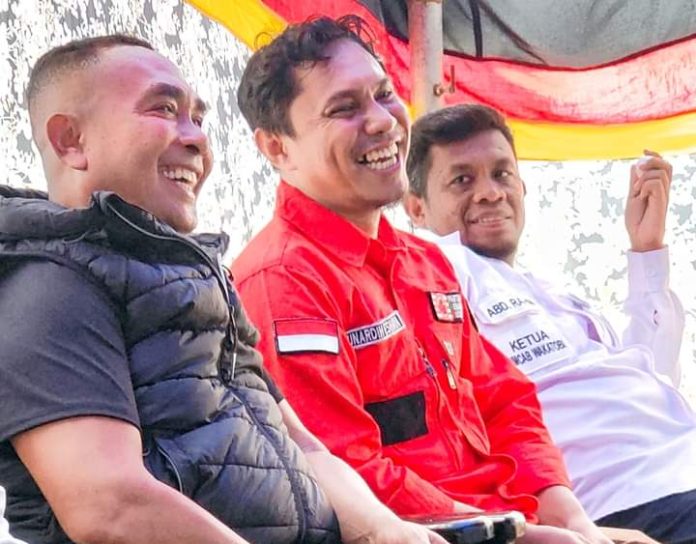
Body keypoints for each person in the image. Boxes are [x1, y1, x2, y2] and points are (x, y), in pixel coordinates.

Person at [0, 34, 448, 544]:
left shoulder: (200, 282)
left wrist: (383, 530)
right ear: (70, 141)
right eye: (164, 109)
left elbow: (304, 446)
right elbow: (108, 504)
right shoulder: (48, 285)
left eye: (197, 118)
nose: (196, 139)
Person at [232, 15, 613, 544]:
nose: (381, 121)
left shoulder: (424, 261)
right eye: (344, 108)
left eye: (384, 94)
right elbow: (342, 470)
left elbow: (505, 399)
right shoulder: (282, 282)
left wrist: (570, 518)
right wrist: (517, 532)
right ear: (277, 148)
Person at [403, 103, 696, 543]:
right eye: (462, 180)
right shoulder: (437, 270)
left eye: (502, 174)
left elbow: (654, 381)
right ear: (417, 209)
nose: (489, 193)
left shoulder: (559, 298)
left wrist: (647, 251)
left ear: (522, 187)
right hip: (629, 502)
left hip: (678, 470)